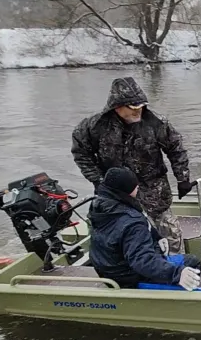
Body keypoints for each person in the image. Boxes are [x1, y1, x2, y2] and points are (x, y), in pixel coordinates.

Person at [71, 76, 191, 254]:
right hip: (116, 193)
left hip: (153, 189)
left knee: (168, 233)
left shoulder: (156, 123)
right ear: (117, 107)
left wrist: (183, 178)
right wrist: (97, 180)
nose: (139, 111)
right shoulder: (94, 126)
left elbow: (176, 148)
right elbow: (81, 152)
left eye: (141, 106)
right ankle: (133, 269)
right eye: (134, 107)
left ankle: (177, 265)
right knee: (125, 235)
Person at [87, 167, 201, 290]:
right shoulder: (132, 222)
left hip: (108, 269)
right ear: (126, 190)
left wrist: (155, 237)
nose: (138, 188)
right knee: (192, 262)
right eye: (135, 186)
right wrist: (177, 274)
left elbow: (118, 236)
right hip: (129, 276)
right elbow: (142, 261)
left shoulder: (99, 207)